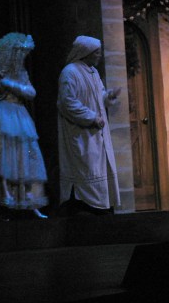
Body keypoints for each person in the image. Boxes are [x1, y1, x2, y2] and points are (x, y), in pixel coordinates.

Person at [57, 35, 121, 215]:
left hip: (97, 133)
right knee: (86, 168)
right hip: (81, 133)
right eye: (96, 53)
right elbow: (67, 103)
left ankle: (101, 207)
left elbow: (99, 96)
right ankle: (85, 207)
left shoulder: (93, 72)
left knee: (99, 167)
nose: (99, 56)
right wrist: (92, 117)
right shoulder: (70, 72)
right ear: (86, 53)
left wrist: (108, 96)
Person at [0, 32, 48, 220]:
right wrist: (0, 82)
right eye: (21, 52)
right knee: (4, 157)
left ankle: (27, 200)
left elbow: (31, 92)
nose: (23, 57)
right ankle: (4, 200)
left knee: (24, 157)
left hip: (18, 115)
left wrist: (9, 83)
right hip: (1, 114)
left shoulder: (21, 72)